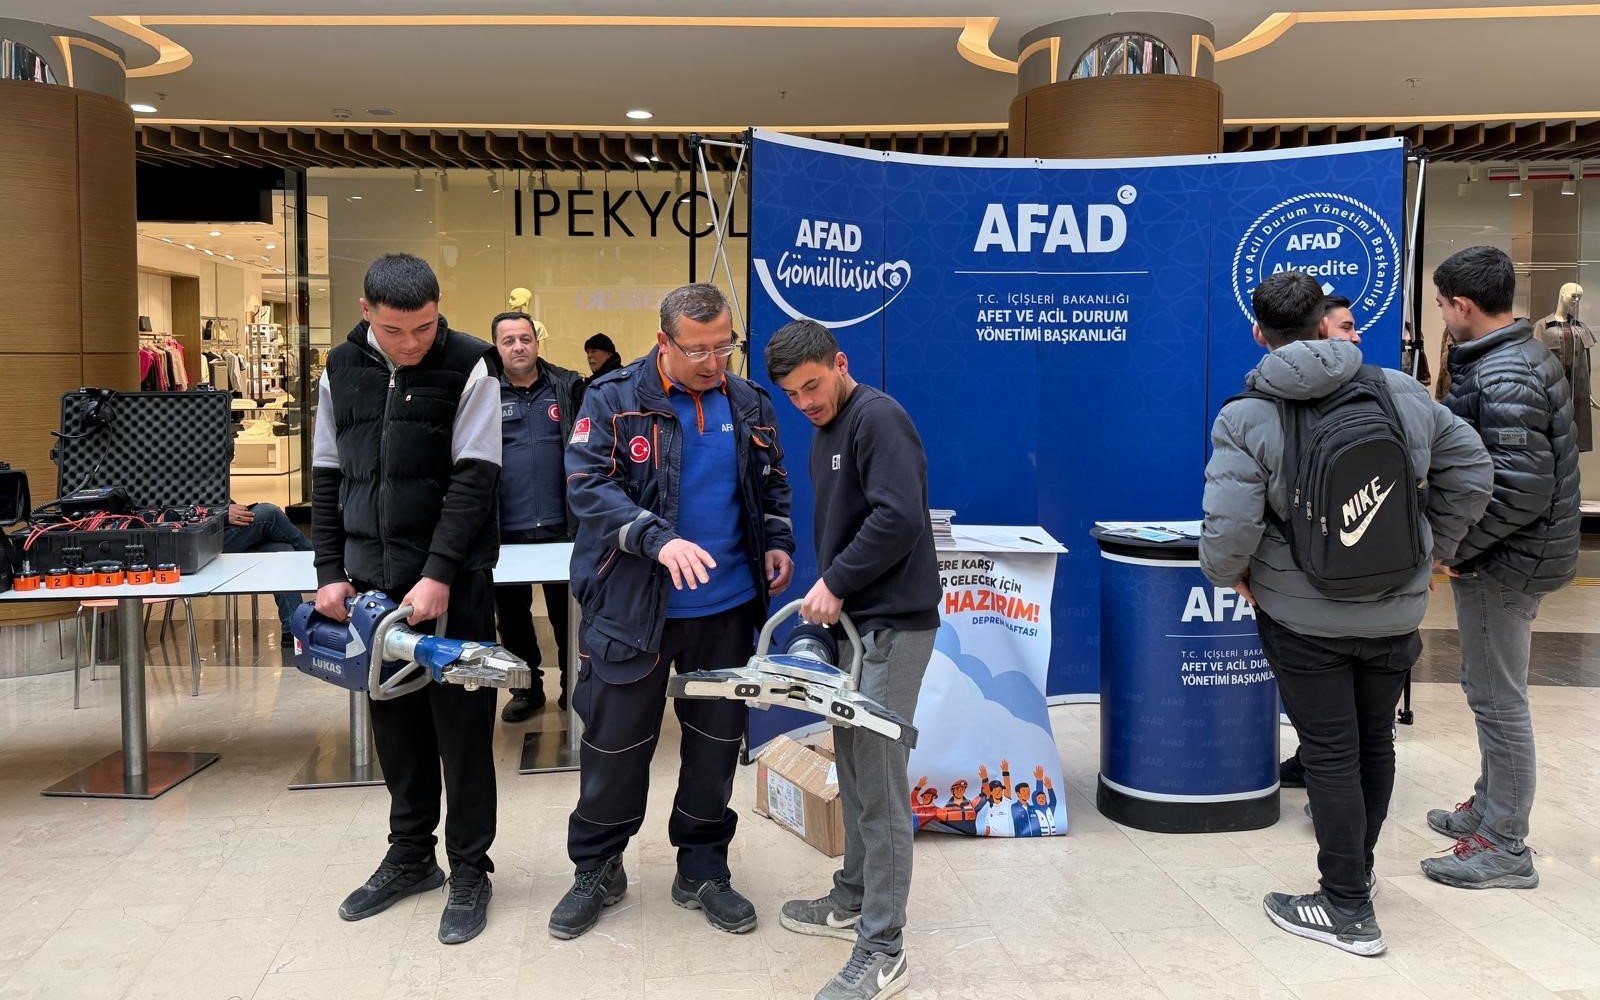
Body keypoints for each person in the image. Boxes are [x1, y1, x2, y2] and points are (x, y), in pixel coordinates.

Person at [1201, 270, 1492, 956]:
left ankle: (1345, 906)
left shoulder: (1247, 415)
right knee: (1373, 742)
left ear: (1259, 333)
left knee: (1331, 752)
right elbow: (1473, 469)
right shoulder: (1396, 390)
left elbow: (1228, 530)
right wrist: (1433, 547)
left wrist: (1232, 574)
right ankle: (1353, 877)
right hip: (1395, 610)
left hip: (1303, 619)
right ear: (1326, 323)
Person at [550, 283, 794, 941]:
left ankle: (703, 865)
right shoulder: (611, 399)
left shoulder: (749, 403)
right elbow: (587, 490)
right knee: (615, 742)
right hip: (632, 605)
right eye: (698, 350)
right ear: (663, 342)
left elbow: (772, 486)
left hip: (728, 608)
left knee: (716, 744)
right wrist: (658, 540)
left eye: (725, 346)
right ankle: (598, 867)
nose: (714, 362)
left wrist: (776, 543)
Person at [310, 253, 502, 945]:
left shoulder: (473, 362)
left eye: (423, 327)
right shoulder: (339, 368)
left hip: (457, 586)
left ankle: (471, 867)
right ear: (366, 312)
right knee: (396, 730)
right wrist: (330, 568)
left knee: (464, 734)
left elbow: (476, 479)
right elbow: (328, 475)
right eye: (396, 330)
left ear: (439, 306)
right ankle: (411, 855)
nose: (412, 343)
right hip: (373, 589)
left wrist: (441, 572)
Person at [765, 317, 940, 1000]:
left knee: (883, 785)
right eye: (792, 394)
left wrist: (834, 582)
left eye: (813, 386)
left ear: (840, 362)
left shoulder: (877, 418)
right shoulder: (826, 430)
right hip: (854, 629)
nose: (806, 402)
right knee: (858, 776)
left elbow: (899, 516)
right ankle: (852, 899)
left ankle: (884, 947)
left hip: (893, 627)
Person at [1422, 246, 1581, 890]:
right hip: (1512, 554)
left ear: (1462, 305)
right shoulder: (1510, 357)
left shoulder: (1504, 372)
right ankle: (1490, 810)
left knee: (1498, 697)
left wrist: (1456, 548)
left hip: (1505, 561)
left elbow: (1521, 490)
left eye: (1440, 303)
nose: (1440, 313)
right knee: (1486, 686)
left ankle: (1506, 844)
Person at [1282, 292, 1363, 790]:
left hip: (1366, 580)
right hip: (1319, 579)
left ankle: (1336, 801)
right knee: (1340, 717)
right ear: (1316, 332)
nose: (1355, 336)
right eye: (1344, 327)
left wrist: (1433, 546)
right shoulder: (1273, 403)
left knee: (1359, 724)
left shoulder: (1388, 392)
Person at [489, 310, 583, 722]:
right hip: (505, 529)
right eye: (508, 340)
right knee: (512, 619)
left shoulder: (567, 386)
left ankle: (573, 688)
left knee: (569, 616)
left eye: (524, 338)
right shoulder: (484, 393)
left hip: (563, 528)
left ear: (537, 342)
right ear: (497, 346)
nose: (518, 347)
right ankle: (525, 692)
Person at [220, 499, 311, 639]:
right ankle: (321, 561)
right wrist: (221, 513)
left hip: (222, 529)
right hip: (201, 539)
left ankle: (293, 629)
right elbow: (175, 513)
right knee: (271, 514)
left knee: (283, 551)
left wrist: (233, 509)